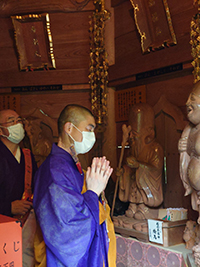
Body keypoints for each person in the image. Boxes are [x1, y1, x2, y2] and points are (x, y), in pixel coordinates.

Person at [33, 104, 116, 267]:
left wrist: (97, 191)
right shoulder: (55, 170)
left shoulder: (71, 165)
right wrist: (93, 192)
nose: (92, 136)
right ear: (69, 128)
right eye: (89, 129)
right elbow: (69, 227)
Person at [117, 103, 164, 221]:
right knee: (132, 205)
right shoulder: (133, 149)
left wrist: (140, 166)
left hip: (145, 188)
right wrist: (123, 171)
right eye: (131, 133)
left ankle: (144, 208)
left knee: (141, 200)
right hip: (134, 185)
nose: (131, 136)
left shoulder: (155, 148)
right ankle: (133, 206)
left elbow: (156, 170)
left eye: (135, 133)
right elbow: (128, 168)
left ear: (149, 132)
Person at [0, 109, 37, 217]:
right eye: (11, 121)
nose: (18, 124)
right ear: (1, 130)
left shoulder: (27, 155)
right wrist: (8, 207)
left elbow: (36, 185)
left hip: (25, 220)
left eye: (19, 120)